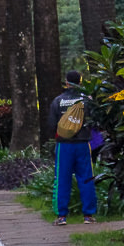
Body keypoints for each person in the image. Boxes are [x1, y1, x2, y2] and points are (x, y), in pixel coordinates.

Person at [47, 69, 97, 225]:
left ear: (66, 82)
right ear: (80, 82)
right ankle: (88, 216)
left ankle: (61, 216)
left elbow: (51, 124)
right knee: (87, 178)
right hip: (83, 143)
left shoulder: (58, 101)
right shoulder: (86, 100)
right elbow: (94, 120)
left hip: (64, 145)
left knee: (62, 179)